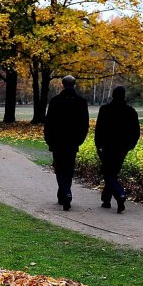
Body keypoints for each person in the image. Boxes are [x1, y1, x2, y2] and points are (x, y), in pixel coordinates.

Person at [43, 75, 89, 210]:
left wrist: (49, 139)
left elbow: (49, 122)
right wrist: (79, 140)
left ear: (62, 85)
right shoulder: (81, 102)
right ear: (74, 85)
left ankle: (66, 192)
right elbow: (84, 124)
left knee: (59, 168)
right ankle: (64, 193)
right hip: (72, 141)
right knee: (68, 169)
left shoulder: (55, 101)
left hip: (58, 141)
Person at [94, 85, 140, 213]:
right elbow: (136, 131)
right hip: (122, 147)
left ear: (113, 95)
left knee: (108, 172)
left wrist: (98, 144)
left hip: (108, 146)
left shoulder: (105, 110)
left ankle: (119, 194)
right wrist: (130, 145)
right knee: (113, 172)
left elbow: (99, 129)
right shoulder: (130, 112)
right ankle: (106, 199)